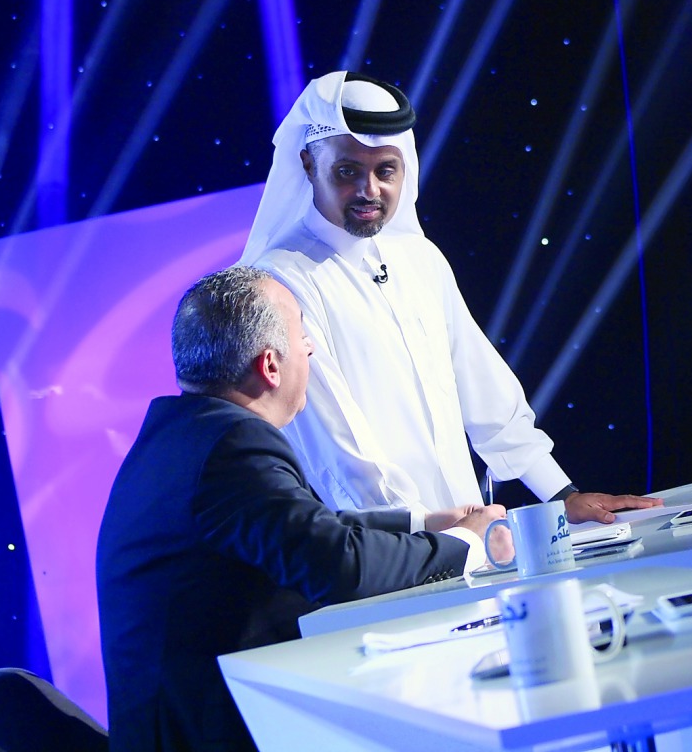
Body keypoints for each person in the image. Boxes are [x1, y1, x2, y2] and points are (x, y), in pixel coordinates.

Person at [96, 266, 509, 752]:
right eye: (302, 335)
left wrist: (424, 521)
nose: (310, 348)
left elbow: (306, 529)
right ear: (271, 366)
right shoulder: (232, 444)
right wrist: (468, 544)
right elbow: (337, 564)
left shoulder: (183, 433)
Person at [239, 70, 660, 525]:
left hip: (469, 535)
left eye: (385, 170)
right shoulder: (281, 281)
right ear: (308, 165)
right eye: (347, 171)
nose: (370, 190)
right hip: (382, 543)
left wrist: (560, 494)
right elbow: (335, 443)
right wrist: (427, 534)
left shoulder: (419, 258)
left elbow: (483, 386)